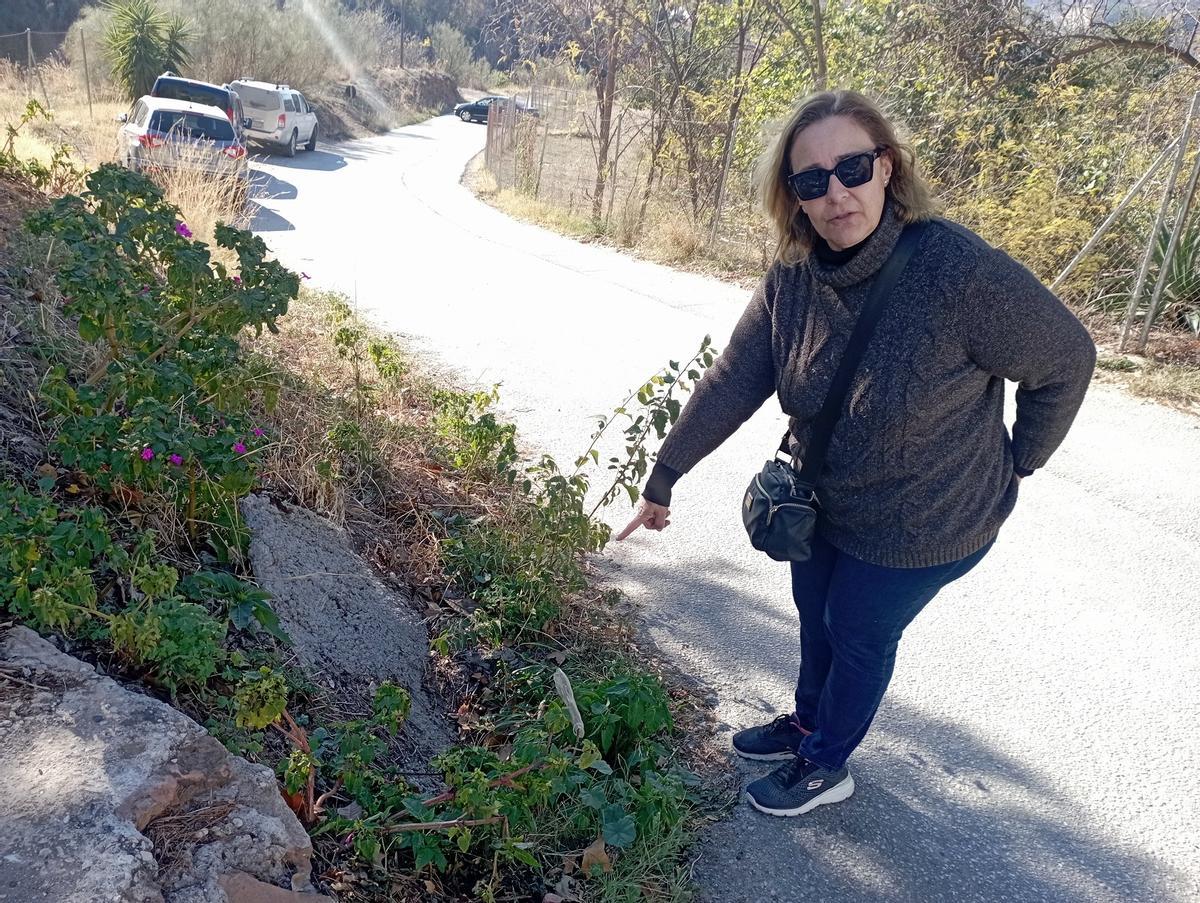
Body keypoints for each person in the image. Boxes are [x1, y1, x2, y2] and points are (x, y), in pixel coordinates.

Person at [616, 89, 1096, 818]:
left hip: (927, 517)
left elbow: (1067, 357)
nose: (836, 192)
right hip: (827, 502)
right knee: (815, 613)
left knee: (857, 629)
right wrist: (665, 475)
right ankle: (808, 720)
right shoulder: (794, 275)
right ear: (794, 198)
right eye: (812, 180)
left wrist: (1018, 459)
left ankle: (827, 760)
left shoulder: (956, 271)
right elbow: (734, 377)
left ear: (887, 167)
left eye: (852, 167)